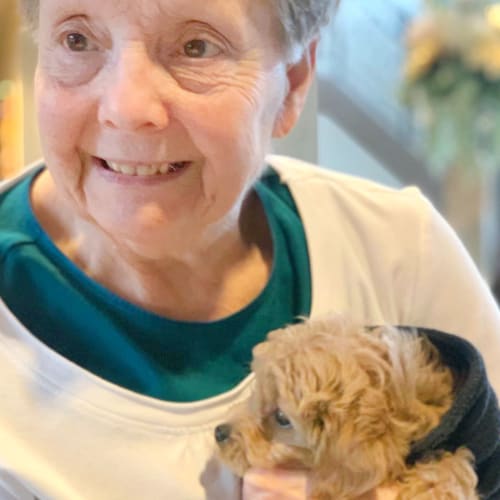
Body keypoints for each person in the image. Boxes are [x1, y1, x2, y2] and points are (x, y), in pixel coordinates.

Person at [0, 0, 499, 498]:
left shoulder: (399, 251)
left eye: (196, 47)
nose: (127, 109)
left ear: (294, 82)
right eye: (77, 40)